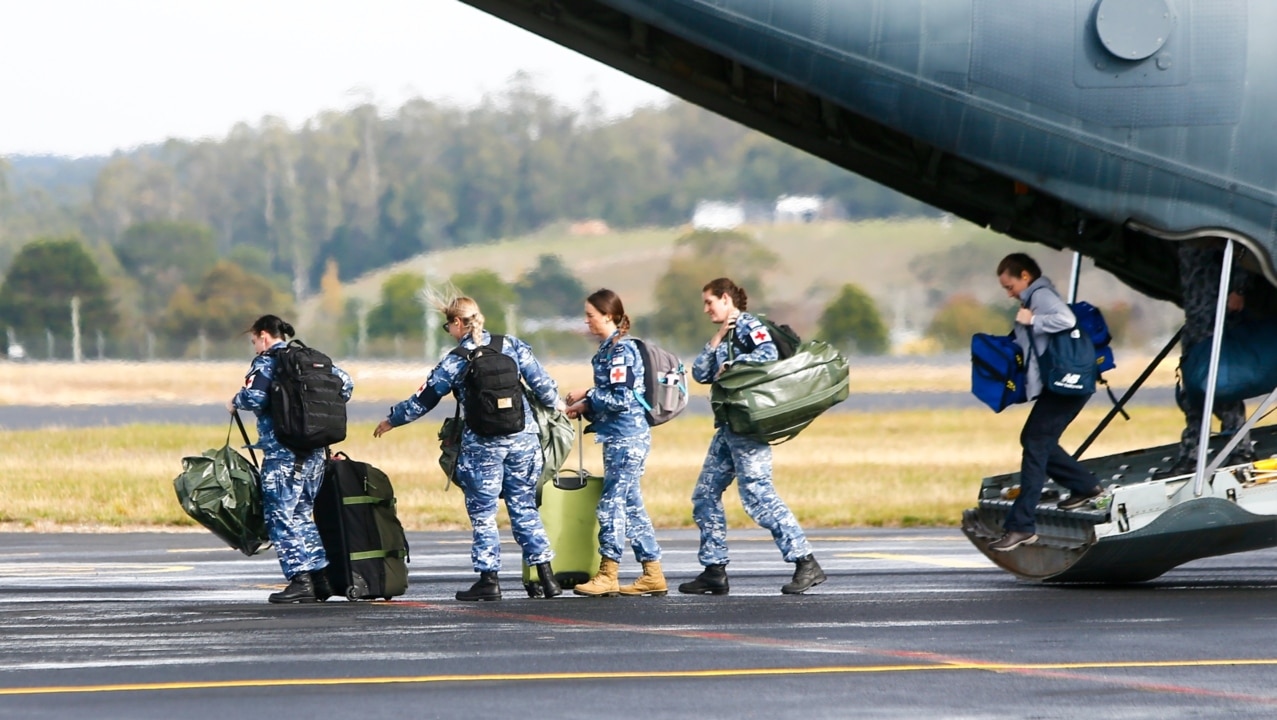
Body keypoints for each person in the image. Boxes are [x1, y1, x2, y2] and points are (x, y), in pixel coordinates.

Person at [373, 296, 565, 601]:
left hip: (482, 445)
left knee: (484, 513)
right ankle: (548, 577)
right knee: (524, 507)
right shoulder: (511, 346)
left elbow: (425, 399)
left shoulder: (456, 359)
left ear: (459, 323)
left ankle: (489, 579)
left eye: (448, 324)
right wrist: (562, 407)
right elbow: (544, 386)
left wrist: (392, 420)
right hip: (522, 440)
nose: (448, 330)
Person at [679, 277, 825, 595]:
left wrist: (733, 364)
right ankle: (714, 569)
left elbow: (768, 355)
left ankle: (805, 561)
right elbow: (701, 373)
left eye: (710, 302)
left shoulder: (749, 326)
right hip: (729, 428)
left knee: (758, 496)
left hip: (749, 427)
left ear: (727, 299)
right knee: (704, 496)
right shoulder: (728, 333)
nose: (706, 309)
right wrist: (719, 337)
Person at [228, 315, 354, 603]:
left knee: (280, 517)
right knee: (301, 515)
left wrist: (235, 401)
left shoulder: (267, 362)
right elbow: (346, 385)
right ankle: (319, 579)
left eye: (254, 341)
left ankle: (300, 579)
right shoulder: (310, 359)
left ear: (263, 336)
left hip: (283, 454)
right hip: (314, 454)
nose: (255, 347)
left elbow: (254, 398)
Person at [990, 254, 1105, 552]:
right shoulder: (1035, 298)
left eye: (1010, 285)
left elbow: (1065, 320)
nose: (1009, 292)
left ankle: (1022, 527)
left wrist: (1034, 320)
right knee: (1035, 439)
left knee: (1036, 443)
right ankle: (1084, 486)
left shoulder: (1040, 297)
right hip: (1066, 386)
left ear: (1025, 276)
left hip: (1066, 386)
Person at [564, 289, 666, 597]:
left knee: (611, 505)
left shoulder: (621, 351)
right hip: (618, 436)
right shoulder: (608, 350)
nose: (587, 322)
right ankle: (652, 572)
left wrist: (587, 395)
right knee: (632, 506)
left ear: (608, 316)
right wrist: (587, 407)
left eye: (591, 316)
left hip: (627, 439)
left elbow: (621, 398)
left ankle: (608, 571)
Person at [1155, 240, 1254, 478]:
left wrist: (1238, 291)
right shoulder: (1185, 236)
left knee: (1222, 386)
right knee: (1194, 391)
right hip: (1196, 320)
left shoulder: (1212, 233)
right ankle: (1192, 456)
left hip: (1218, 317)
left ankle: (1241, 451)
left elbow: (1242, 255)